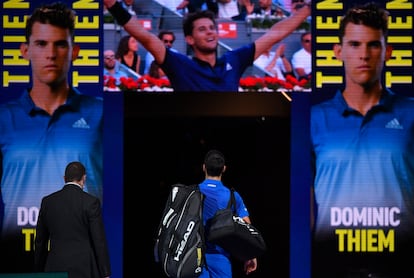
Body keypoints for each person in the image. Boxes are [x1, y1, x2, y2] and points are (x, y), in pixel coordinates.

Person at [311, 2, 414, 277]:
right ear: (338, 52)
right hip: (331, 263)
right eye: (354, 44)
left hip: (400, 263)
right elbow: (304, 202)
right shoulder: (313, 119)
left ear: (388, 52)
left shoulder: (412, 113)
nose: (364, 55)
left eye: (373, 45)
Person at [0, 1, 103, 237]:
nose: (51, 54)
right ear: (25, 50)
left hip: (80, 260)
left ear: (74, 51)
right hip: (19, 258)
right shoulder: (3, 119)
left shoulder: (101, 115)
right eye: (41, 43)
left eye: (60, 44)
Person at [104, 0, 311, 92]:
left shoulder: (234, 60)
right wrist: (113, 6)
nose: (210, 31)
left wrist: (309, 9)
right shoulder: (179, 64)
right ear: (189, 39)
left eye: (212, 27)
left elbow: (276, 33)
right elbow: (146, 38)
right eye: (202, 29)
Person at [34, 161, 111, 278]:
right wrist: (105, 273)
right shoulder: (91, 202)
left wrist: (38, 270)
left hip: (55, 267)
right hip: (84, 268)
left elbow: (40, 241)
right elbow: (98, 240)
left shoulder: (48, 202)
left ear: (64, 178)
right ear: (84, 178)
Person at [198, 149, 257, 278]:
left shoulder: (192, 193)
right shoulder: (233, 196)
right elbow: (247, 228)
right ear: (224, 169)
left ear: (204, 167)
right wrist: (250, 255)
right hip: (221, 260)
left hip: (194, 258)